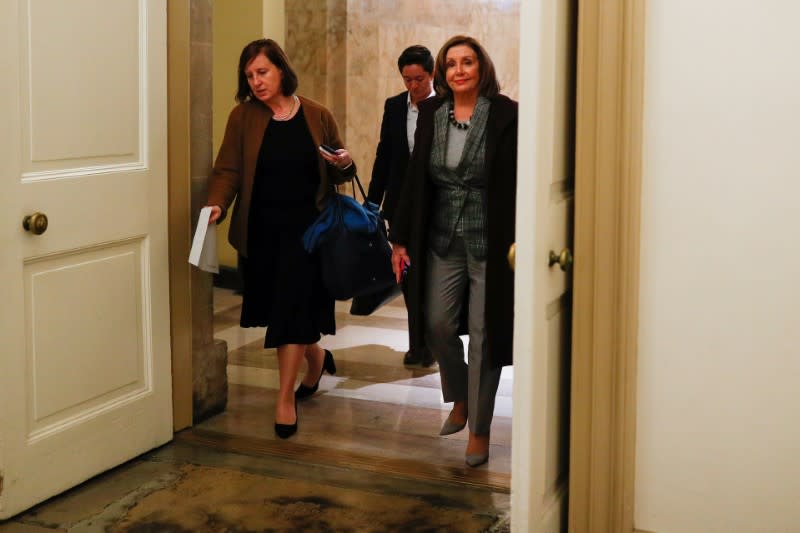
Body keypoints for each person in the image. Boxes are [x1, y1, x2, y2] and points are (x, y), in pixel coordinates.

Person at [205, 39, 356, 439]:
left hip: (310, 233)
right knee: (282, 310)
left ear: (281, 70)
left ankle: (285, 399)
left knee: (290, 312)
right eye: (249, 75)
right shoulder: (243, 118)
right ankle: (317, 357)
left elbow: (340, 168)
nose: (255, 81)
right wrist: (217, 205)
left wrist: (345, 162)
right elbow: (227, 170)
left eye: (262, 72)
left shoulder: (317, 115)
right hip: (263, 231)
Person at [389, 36, 518, 467]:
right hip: (442, 237)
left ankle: (478, 429)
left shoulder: (504, 114)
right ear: (443, 73)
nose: (459, 70)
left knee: (484, 334)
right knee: (437, 324)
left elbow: (517, 179)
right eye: (451, 64)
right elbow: (414, 181)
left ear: (482, 67)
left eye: (467, 62)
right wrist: (401, 237)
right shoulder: (431, 113)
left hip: (490, 240)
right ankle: (459, 397)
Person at [367, 45, 436, 367]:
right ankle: (416, 344)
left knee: (433, 276)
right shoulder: (395, 107)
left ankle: (432, 342)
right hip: (400, 204)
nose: (412, 86)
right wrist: (373, 199)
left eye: (419, 79)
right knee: (407, 274)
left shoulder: (444, 106)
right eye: (407, 79)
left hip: (435, 206)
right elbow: (385, 155)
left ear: (431, 74)